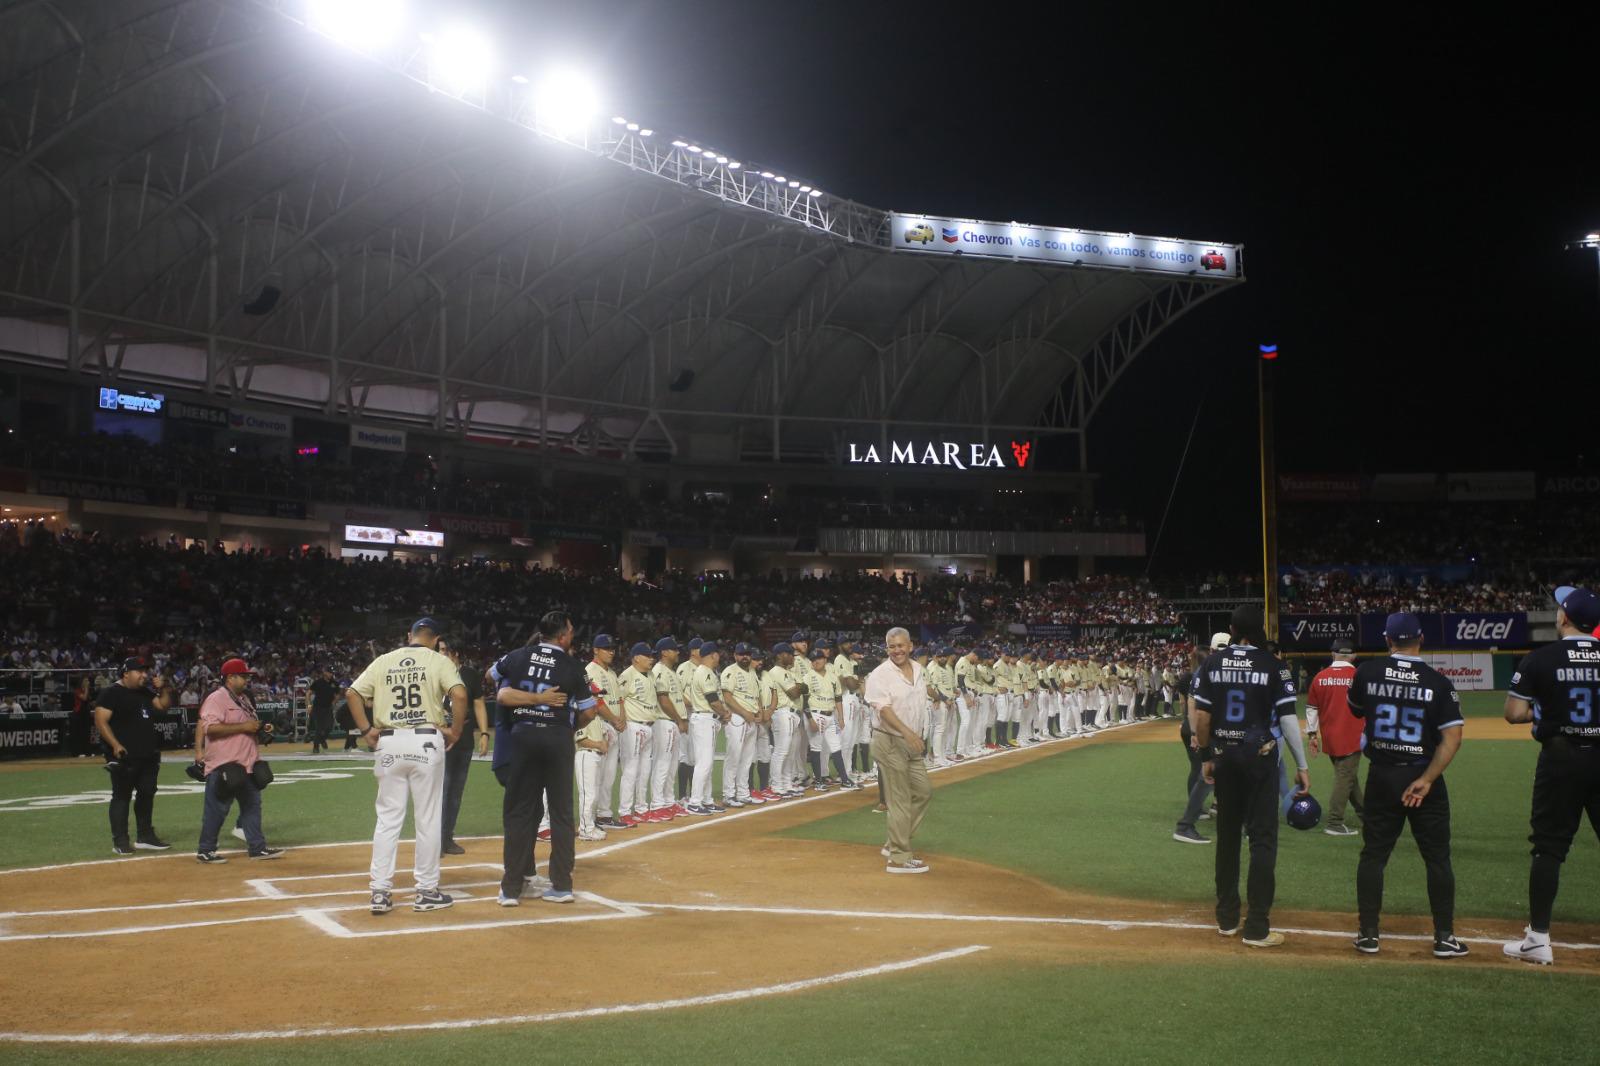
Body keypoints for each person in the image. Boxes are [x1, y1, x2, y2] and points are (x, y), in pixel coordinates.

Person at [1345, 612, 1467, 958]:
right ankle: (1444, 937)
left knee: (1373, 856)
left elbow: (1355, 711)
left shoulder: (1366, 672)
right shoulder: (1438, 681)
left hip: (1382, 776)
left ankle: (1368, 934)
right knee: (1438, 859)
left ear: (1387, 640)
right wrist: (1426, 780)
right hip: (1422, 777)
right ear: (1421, 639)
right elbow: (1452, 738)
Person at [1194, 605, 1309, 947]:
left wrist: (1206, 756)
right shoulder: (1273, 665)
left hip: (1225, 758)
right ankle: (1257, 926)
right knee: (1262, 840)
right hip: (1260, 758)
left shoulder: (1212, 663)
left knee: (1227, 838)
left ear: (1231, 629)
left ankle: (1227, 918)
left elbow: (1201, 717)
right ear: (1257, 630)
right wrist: (1302, 765)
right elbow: (1287, 721)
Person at [1502, 585, 1600, 965]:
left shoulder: (1541, 659)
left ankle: (1538, 939)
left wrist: (1543, 715)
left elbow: (1513, 713)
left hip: (1561, 761)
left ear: (1564, 617)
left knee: (1549, 848)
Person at [346, 618, 468, 915]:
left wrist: (365, 730)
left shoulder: (384, 660)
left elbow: (352, 694)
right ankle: (426, 891)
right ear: (435, 638)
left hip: (388, 742)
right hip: (426, 741)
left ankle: (380, 892)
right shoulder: (438, 660)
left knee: (388, 819)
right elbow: (460, 694)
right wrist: (456, 731)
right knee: (427, 818)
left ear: (409, 636)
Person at [491, 610, 597, 906]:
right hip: (558, 738)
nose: (572, 635)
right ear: (563, 635)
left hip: (523, 736)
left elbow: (493, 677)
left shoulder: (518, 656)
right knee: (562, 813)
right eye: (571, 630)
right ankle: (561, 886)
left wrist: (525, 698)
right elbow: (589, 711)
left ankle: (510, 889)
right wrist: (566, 725)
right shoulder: (573, 665)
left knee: (519, 813)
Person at [193, 658, 284, 863]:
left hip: (248, 764)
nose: (246, 680)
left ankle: (257, 848)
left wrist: (261, 729)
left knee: (252, 806)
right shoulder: (216, 699)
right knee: (217, 809)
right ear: (230, 677)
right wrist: (243, 728)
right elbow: (210, 728)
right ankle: (205, 850)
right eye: (242, 676)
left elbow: (249, 726)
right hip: (224, 765)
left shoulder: (244, 699)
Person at [866, 626, 932, 874]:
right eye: (892, 647)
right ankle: (898, 858)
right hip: (890, 741)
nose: (897, 651)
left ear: (910, 646)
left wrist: (915, 735)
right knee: (900, 800)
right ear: (887, 649)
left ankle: (895, 841)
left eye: (901, 645)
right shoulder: (879, 674)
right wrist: (908, 733)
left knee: (923, 792)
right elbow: (884, 710)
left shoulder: (918, 669)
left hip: (912, 743)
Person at [93, 656, 175, 855]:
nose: (144, 675)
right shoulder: (110, 693)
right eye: (140, 671)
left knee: (147, 794)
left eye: (145, 671)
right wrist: (115, 744)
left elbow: (163, 706)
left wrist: (163, 688)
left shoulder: (144, 692)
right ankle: (120, 841)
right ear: (126, 673)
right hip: (125, 757)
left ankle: (145, 836)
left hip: (148, 755)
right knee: (121, 797)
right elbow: (100, 721)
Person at [1173, 633, 1231, 845]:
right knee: (1205, 776)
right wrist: (1196, 733)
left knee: (1211, 775)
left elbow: (1192, 702)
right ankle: (1186, 824)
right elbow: (1192, 703)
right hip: (1211, 731)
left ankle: (1195, 821)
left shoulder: (1209, 668)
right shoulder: (1207, 670)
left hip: (1215, 730)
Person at [1305, 639, 1365, 837]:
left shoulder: (1320, 677)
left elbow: (1312, 709)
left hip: (1330, 737)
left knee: (1348, 777)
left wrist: (1312, 735)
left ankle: (1366, 816)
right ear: (1354, 656)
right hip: (1353, 737)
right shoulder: (1359, 676)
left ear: (1333, 654)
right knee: (1345, 778)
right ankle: (1335, 822)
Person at [439, 640, 489, 856]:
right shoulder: (432, 672)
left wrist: (485, 733)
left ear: (454, 653)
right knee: (441, 791)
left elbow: (478, 704)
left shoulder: (469, 675)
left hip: (464, 740)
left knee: (455, 793)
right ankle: (435, 840)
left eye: (442, 650)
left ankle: (446, 838)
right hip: (438, 741)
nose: (438, 654)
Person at [583, 634, 630, 831]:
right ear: (595, 650)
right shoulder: (589, 670)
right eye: (606, 648)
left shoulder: (612, 673)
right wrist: (614, 719)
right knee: (596, 775)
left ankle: (604, 814)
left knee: (609, 775)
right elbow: (597, 701)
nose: (611, 651)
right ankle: (590, 817)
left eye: (612, 648)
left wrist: (623, 719)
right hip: (599, 724)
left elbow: (620, 700)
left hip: (614, 725)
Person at [615, 642, 658, 826]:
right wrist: (623, 721)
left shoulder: (651, 675)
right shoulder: (627, 675)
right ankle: (625, 812)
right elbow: (619, 699)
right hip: (632, 726)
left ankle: (641, 809)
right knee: (630, 771)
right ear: (636, 658)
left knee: (644, 771)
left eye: (652, 656)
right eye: (647, 656)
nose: (651, 659)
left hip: (649, 726)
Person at [684, 641, 728, 814]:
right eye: (718, 654)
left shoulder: (705, 671)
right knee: (704, 762)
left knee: (707, 762)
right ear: (713, 655)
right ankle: (695, 802)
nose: (719, 657)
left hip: (706, 719)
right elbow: (712, 700)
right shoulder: (705, 673)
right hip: (704, 719)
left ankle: (707, 800)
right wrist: (725, 713)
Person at [649, 637, 690, 820]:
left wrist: (681, 720)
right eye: (674, 650)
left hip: (673, 722)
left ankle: (668, 801)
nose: (678, 652)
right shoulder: (659, 671)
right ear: (664, 652)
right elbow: (663, 701)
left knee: (672, 765)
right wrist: (679, 720)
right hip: (664, 721)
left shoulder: (670, 672)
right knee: (662, 763)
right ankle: (657, 804)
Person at [720, 642, 765, 808]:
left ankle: (743, 793)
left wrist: (759, 710)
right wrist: (744, 713)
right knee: (734, 758)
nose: (744, 656)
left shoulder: (752, 672)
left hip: (751, 719)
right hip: (737, 719)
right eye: (741, 654)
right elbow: (727, 696)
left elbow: (756, 695)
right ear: (735, 656)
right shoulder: (730, 671)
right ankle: (728, 794)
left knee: (747, 759)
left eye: (747, 653)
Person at [308, 668, 337, 755]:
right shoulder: (318, 682)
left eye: (332, 673)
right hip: (317, 708)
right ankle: (315, 747)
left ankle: (322, 739)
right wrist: (309, 705)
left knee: (329, 727)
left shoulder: (334, 683)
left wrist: (333, 703)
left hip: (328, 708)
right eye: (329, 672)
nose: (331, 674)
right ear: (325, 673)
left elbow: (338, 694)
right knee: (319, 728)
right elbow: (308, 693)